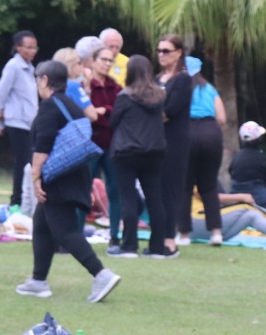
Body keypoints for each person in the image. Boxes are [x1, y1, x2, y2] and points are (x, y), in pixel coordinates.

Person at [15, 61, 123, 303]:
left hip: (56, 177)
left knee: (64, 232)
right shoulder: (71, 105)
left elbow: (42, 145)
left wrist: (36, 178)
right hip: (74, 172)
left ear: (44, 80)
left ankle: (101, 274)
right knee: (42, 224)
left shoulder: (49, 107)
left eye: (37, 80)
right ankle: (38, 281)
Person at [109, 55, 170, 258]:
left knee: (128, 198)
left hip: (127, 151)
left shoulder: (125, 96)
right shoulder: (160, 96)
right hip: (154, 152)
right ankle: (157, 247)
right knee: (155, 199)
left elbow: (113, 121)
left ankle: (129, 246)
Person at [182, 56, 226, 246]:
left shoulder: (181, 88)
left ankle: (183, 234)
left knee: (185, 187)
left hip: (187, 132)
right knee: (209, 186)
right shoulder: (210, 89)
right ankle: (216, 233)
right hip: (211, 133)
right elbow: (222, 118)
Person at [0, 30, 39, 208]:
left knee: (28, 164)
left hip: (29, 124)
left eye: (35, 47)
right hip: (16, 122)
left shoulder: (30, 68)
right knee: (22, 164)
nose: (33, 51)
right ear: (18, 47)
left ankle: (24, 200)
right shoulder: (14, 66)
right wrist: (0, 122)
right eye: (29, 47)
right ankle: (16, 202)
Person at [156, 34, 193, 254]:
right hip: (154, 140)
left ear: (178, 52)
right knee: (156, 189)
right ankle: (158, 234)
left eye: (166, 51)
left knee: (170, 189)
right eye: (159, 51)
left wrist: (149, 113)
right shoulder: (157, 78)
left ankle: (169, 236)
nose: (161, 55)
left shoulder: (182, 79)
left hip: (174, 141)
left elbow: (169, 112)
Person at [88, 43, 123, 252]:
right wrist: (100, 112)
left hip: (111, 142)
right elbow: (84, 111)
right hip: (89, 143)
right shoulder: (85, 85)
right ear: (93, 61)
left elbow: (118, 111)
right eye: (104, 59)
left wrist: (101, 110)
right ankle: (75, 232)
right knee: (83, 188)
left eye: (111, 60)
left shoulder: (115, 87)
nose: (107, 64)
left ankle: (115, 235)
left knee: (114, 189)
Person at [230, 121, 266, 209]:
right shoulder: (263, 158)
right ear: (259, 139)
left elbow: (231, 173)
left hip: (235, 195)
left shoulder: (235, 157)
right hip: (260, 196)